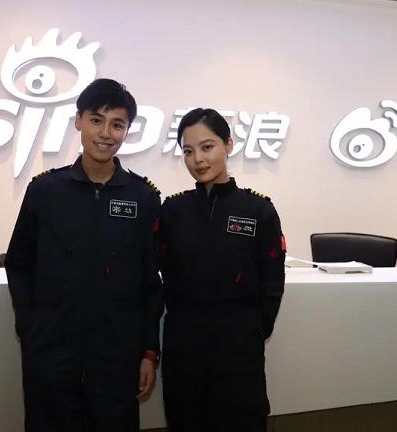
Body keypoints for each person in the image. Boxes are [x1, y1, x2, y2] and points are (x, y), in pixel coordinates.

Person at [5, 78, 163, 432]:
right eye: (96, 120)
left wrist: (148, 352)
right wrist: (31, 329)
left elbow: (150, 283)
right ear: (78, 121)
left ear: (127, 131)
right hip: (52, 354)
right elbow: (19, 265)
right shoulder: (45, 191)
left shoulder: (143, 197)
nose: (105, 133)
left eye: (117, 124)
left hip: (116, 357)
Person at [159, 108, 286, 431]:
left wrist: (251, 330)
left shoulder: (258, 210)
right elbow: (160, 274)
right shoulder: (173, 211)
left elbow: (272, 281)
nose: (198, 159)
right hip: (184, 349)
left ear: (228, 145)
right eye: (188, 151)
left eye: (207, 147)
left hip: (238, 351)